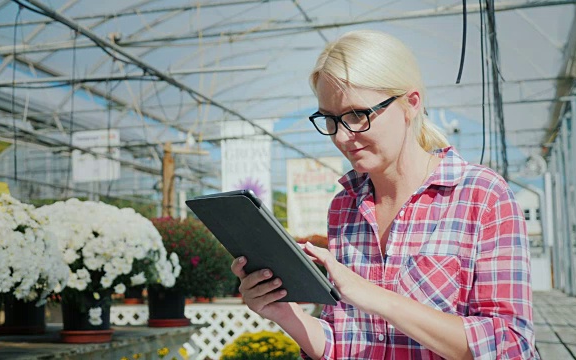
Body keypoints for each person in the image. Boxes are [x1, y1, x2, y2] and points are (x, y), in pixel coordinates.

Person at [230, 29, 537, 359]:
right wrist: (282, 312)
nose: (343, 136)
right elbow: (343, 345)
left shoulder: (482, 196)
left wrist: (373, 295)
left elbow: (511, 344)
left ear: (411, 104)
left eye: (357, 115)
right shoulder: (345, 207)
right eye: (330, 119)